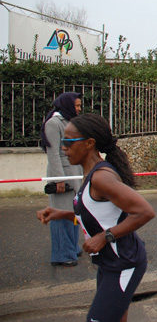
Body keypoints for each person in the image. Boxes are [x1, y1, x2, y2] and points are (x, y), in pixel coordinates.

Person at [37, 113, 155, 322]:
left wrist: (104, 237)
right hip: (109, 263)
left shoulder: (101, 177)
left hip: (124, 263)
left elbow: (145, 211)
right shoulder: (90, 173)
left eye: (68, 142)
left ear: (89, 144)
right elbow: (97, 216)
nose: (63, 147)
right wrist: (61, 214)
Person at [40, 92, 84, 267]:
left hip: (74, 173)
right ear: (67, 105)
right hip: (62, 175)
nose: (80, 109)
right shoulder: (53, 124)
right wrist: (59, 179)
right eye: (77, 105)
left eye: (80, 105)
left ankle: (72, 247)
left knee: (73, 212)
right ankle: (62, 254)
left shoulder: (70, 121)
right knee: (60, 213)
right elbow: (53, 153)